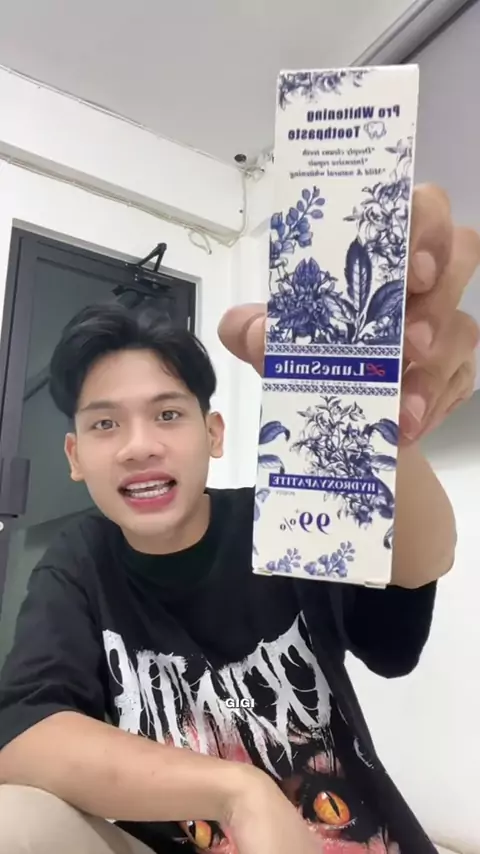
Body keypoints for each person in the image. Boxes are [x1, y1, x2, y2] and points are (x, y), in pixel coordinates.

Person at [0, 184, 478, 854]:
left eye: (168, 414)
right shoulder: (80, 562)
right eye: (105, 424)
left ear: (214, 434)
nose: (138, 446)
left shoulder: (275, 518)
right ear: (75, 458)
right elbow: (23, 733)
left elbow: (405, 603)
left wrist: (385, 424)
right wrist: (238, 790)